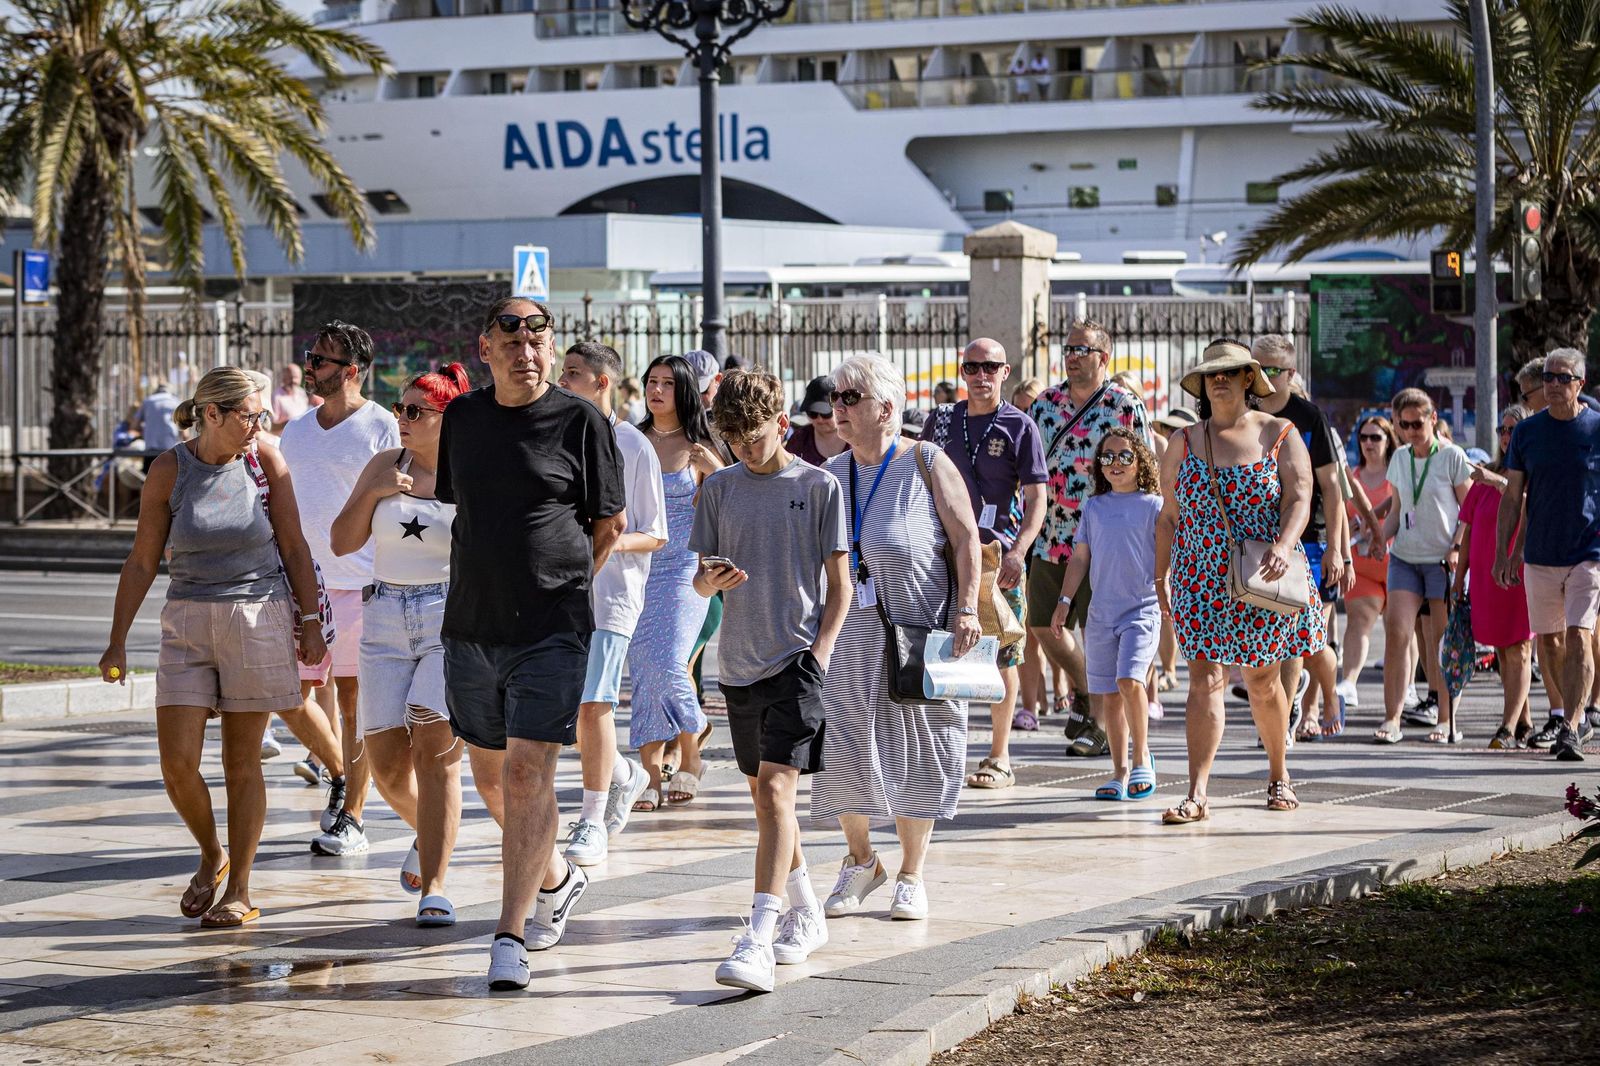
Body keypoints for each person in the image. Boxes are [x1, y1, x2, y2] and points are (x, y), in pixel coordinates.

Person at [435, 296, 626, 990]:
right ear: (486, 349)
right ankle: (556, 877)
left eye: (538, 338)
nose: (526, 350)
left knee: (527, 775)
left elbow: (608, 524)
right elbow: (467, 513)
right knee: (493, 776)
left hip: (551, 628)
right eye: (510, 338)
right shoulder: (463, 418)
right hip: (471, 627)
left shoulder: (582, 422)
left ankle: (508, 936)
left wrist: (563, 585)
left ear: (551, 349)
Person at [98, 367, 325, 927]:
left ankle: (240, 889)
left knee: (242, 762)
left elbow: (294, 546)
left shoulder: (266, 461)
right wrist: (117, 641)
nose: (259, 424)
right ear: (213, 413)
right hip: (186, 621)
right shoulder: (169, 469)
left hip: (259, 613)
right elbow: (143, 560)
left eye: (261, 414)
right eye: (250, 414)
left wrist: (312, 617)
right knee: (177, 766)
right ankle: (211, 853)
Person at [690, 369, 851, 992]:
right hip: (737, 663)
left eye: (752, 436)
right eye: (731, 437)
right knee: (764, 800)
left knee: (779, 795)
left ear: (780, 424)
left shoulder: (818, 486)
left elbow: (840, 584)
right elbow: (699, 580)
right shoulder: (721, 489)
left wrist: (822, 652)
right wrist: (714, 582)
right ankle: (806, 909)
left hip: (796, 661)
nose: (742, 448)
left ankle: (758, 935)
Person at [813, 355, 982, 922]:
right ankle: (862, 862)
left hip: (920, 629)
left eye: (849, 398)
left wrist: (965, 610)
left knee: (921, 748)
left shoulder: (928, 462)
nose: (837, 408)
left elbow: (965, 541)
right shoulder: (832, 474)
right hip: (850, 635)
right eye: (835, 398)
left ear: (885, 408)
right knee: (844, 747)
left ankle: (911, 873)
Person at [1155, 341, 1323, 823]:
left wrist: (1285, 544)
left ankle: (1278, 774)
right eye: (1212, 375)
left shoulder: (1279, 432)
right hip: (1199, 576)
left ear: (1250, 378)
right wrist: (1160, 574)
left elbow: (1300, 497)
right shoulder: (1183, 441)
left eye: (1230, 372)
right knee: (1203, 678)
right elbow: (1169, 516)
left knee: (1262, 680)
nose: (1220, 380)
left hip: (1262, 574)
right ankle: (1197, 792)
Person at [329, 363, 471, 925]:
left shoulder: (472, 473)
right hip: (384, 616)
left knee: (433, 747)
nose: (401, 419)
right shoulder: (385, 464)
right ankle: (432, 833)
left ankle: (435, 886)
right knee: (386, 767)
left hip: (447, 616)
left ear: (446, 419)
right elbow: (342, 541)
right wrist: (377, 494)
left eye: (415, 411)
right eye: (399, 408)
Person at [281, 321, 401, 856]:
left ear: (351, 371)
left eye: (323, 359)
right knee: (286, 695)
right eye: (311, 355)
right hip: (297, 584)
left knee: (353, 703)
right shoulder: (297, 429)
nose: (311, 365)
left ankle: (352, 816)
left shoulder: (381, 426)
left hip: (361, 584)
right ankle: (336, 775)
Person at [556, 342, 668, 864]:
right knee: (570, 711)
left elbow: (655, 534)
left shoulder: (633, 446)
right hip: (558, 591)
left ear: (603, 383)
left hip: (613, 595)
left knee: (592, 703)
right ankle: (625, 773)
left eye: (573, 374)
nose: (562, 381)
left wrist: (600, 540)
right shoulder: (554, 437)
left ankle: (591, 819)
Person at [920, 338, 1046, 790]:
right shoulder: (941, 420)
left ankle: (999, 755)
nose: (980, 375)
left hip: (997, 556)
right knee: (943, 652)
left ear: (1004, 371)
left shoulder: (1020, 426)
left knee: (1001, 655)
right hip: (943, 553)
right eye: (971, 367)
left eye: (989, 367)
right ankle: (941, 754)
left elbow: (1037, 498)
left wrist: (1019, 549)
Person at [1026, 318, 1152, 758]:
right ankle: (1084, 688)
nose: (1072, 357)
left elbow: (1147, 472)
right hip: (1052, 534)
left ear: (1104, 358)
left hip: (1105, 541)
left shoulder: (1124, 405)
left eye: (1082, 350)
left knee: (1099, 631)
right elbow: (1030, 471)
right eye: (1068, 349)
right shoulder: (1044, 405)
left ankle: (1097, 727)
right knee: (1043, 624)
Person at [1250, 336, 1374, 742]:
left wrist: (1341, 552)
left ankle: (1293, 714)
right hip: (1258, 541)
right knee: (1271, 635)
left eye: (1272, 370)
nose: (1262, 377)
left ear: (1289, 374)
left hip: (1311, 540)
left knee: (1301, 635)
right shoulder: (1243, 413)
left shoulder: (1310, 417)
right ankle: (1282, 712)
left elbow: (1333, 488)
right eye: (1257, 368)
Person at [1497, 349, 1600, 761]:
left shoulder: (1596, 428)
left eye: (1562, 378)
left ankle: (1572, 726)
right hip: (1540, 552)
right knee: (1551, 643)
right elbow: (1512, 495)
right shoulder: (1527, 433)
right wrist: (1505, 552)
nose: (1553, 385)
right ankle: (1577, 716)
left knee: (1579, 635)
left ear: (1580, 383)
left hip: (1588, 551)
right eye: (1548, 378)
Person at [629, 354, 722, 809]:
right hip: (636, 571)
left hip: (685, 570)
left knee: (668, 662)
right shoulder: (632, 440)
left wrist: (717, 471)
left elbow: (728, 509)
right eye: (652, 381)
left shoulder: (701, 447)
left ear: (683, 390)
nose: (656, 389)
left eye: (667, 382)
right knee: (645, 672)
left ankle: (690, 751)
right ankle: (648, 773)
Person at [1051, 427, 1162, 801]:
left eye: (1125, 456)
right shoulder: (1094, 507)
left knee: (1131, 681)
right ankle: (1119, 772)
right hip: (1101, 613)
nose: (1115, 463)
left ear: (1140, 461)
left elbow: (1168, 557)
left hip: (1142, 609)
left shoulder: (1154, 505)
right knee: (1111, 696)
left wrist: (1169, 598)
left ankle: (1142, 756)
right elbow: (1080, 557)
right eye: (1108, 456)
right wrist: (1064, 601)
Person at [1373, 388, 1472, 744]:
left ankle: (1446, 720)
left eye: (1418, 423)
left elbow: (1469, 511)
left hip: (1441, 560)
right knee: (1397, 631)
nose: (1412, 430)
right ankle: (1392, 719)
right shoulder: (1399, 457)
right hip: (1405, 557)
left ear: (1433, 418)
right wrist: (1379, 537)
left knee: (1440, 641)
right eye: (1404, 424)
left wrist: (1458, 547)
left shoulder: (1452, 456)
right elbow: (1398, 511)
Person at [1455, 404, 1534, 749]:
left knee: (1519, 647)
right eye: (1502, 430)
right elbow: (1469, 531)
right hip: (1487, 575)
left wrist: (1499, 482)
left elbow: (1530, 503)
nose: (1506, 436)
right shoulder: (1486, 474)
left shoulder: (1533, 472)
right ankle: (1525, 722)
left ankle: (1507, 726)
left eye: (1513, 430)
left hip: (1521, 572)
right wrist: (1459, 577)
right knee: (1503, 650)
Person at [1339, 415, 1399, 714]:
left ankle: (1407, 689)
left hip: (1398, 563)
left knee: (1399, 630)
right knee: (1359, 622)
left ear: (1388, 440)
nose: (1369, 443)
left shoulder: (1398, 474)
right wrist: (1351, 526)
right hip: (1362, 564)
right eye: (1364, 437)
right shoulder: (1352, 477)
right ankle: (1348, 683)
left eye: (1376, 437)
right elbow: (1340, 517)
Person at [787, 374, 849, 466]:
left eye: (826, 414)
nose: (819, 419)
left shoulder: (855, 439)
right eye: (813, 414)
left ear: (839, 409)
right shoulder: (800, 439)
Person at [134, 380, 181, 473]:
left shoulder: (147, 401)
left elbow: (134, 425)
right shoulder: (176, 402)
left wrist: (146, 430)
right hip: (170, 450)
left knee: (147, 480)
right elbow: (184, 430)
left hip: (151, 450)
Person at [270, 363, 315, 433]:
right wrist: (291, 423)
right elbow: (272, 427)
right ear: (284, 378)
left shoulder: (301, 392)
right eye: (290, 377)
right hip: (284, 440)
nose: (294, 381)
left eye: (296, 377)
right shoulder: (276, 396)